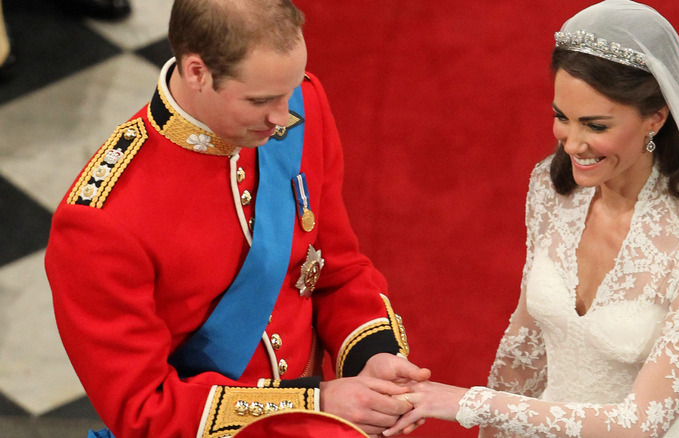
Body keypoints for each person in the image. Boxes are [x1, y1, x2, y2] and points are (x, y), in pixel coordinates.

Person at [383, 1, 679, 437]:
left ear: (656, 118)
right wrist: (491, 428)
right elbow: (525, 346)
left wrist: (470, 402)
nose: (572, 144)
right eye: (561, 117)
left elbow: (642, 424)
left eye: (595, 125)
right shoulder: (550, 191)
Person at [45, 0, 430, 437]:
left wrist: (372, 357)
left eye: (287, 94)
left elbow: (336, 269)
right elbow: (144, 411)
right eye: (261, 100)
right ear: (197, 72)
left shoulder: (302, 106)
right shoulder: (100, 222)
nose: (284, 117)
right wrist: (314, 401)